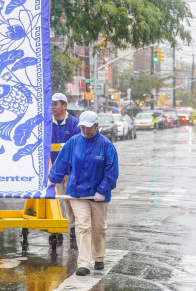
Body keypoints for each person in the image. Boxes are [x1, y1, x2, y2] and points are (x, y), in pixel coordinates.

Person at [47, 111, 119, 276]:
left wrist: (102, 190)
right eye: (82, 127)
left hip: (97, 195)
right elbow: (62, 162)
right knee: (82, 226)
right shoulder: (74, 142)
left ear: (96, 126)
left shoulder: (106, 145)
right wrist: (53, 179)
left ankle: (98, 256)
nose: (85, 131)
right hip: (77, 193)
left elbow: (111, 172)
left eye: (88, 127)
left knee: (98, 228)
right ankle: (84, 263)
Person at [51, 92, 80, 242]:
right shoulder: (47, 123)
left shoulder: (74, 123)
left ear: (64, 105)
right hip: (54, 170)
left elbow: (77, 147)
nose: (53, 107)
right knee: (57, 199)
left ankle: (73, 225)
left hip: (70, 170)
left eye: (56, 104)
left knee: (70, 198)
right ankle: (58, 226)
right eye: (51, 104)